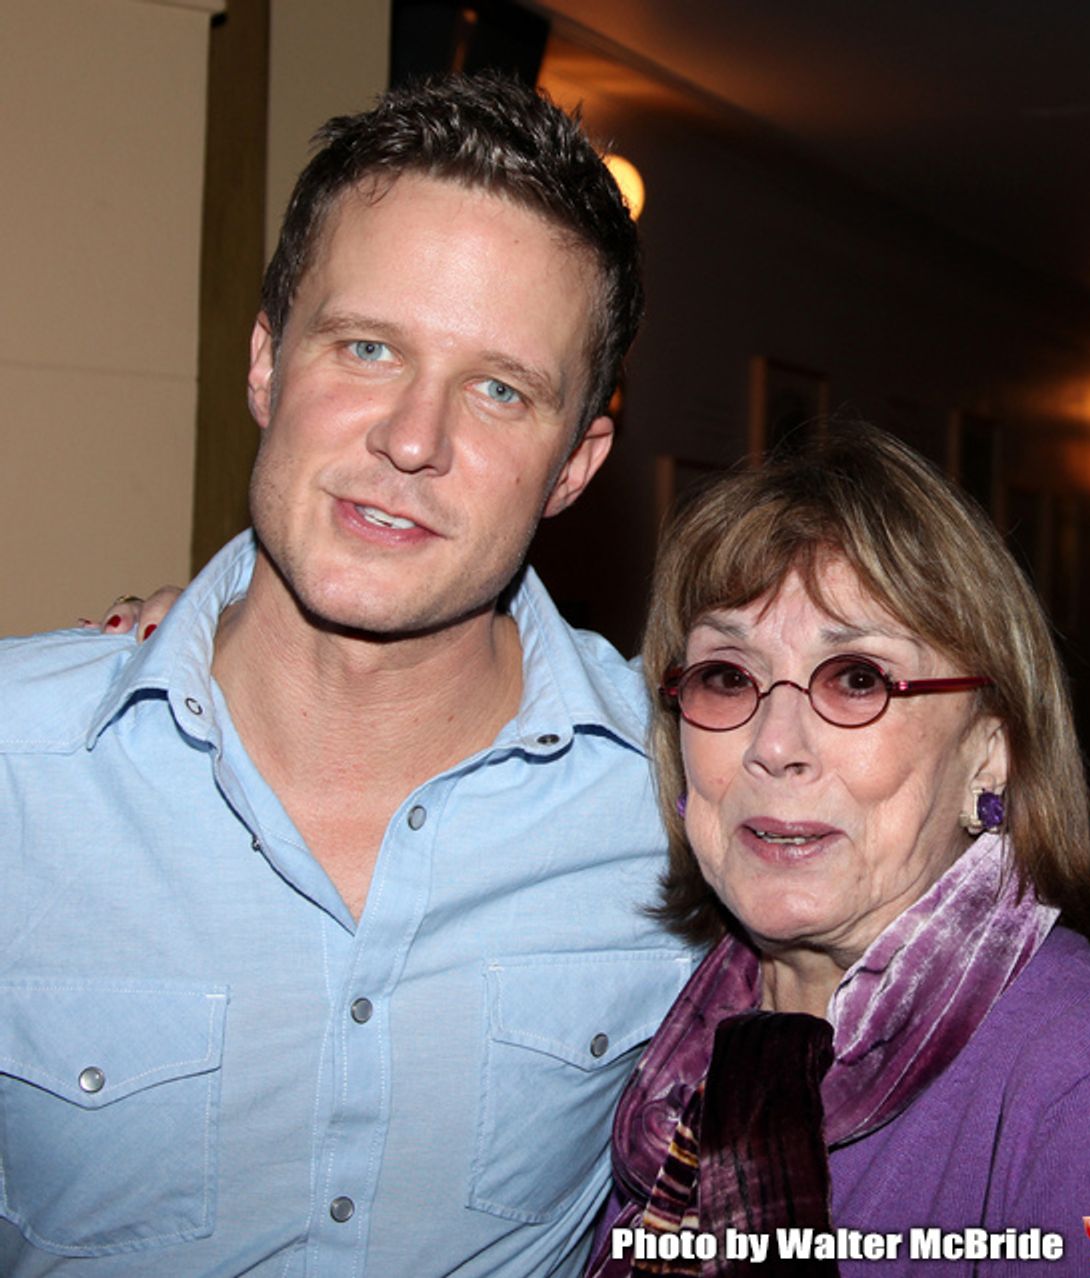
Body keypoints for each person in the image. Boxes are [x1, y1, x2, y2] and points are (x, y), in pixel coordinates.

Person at [0, 74, 695, 1277]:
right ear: (267, 363)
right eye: (367, 347)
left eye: (498, 388)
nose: (413, 439)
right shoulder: (21, 767)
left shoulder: (688, 798)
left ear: (577, 463)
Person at [588, 423, 1090, 1277]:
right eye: (728, 676)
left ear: (989, 749)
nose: (775, 744)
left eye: (857, 679)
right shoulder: (662, 1026)